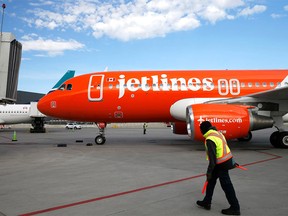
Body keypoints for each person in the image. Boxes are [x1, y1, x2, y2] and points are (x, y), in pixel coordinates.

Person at [196, 121, 241, 215]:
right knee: (211, 181)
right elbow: (225, 148)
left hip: (221, 164)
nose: (200, 132)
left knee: (226, 185)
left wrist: (208, 173)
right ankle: (207, 202)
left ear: (203, 130)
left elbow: (212, 160)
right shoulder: (217, 133)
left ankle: (235, 207)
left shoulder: (210, 139)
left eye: (200, 130)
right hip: (223, 162)